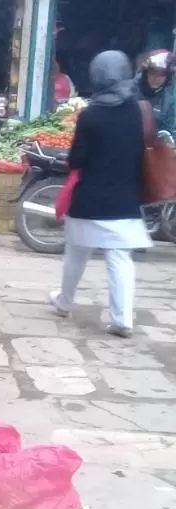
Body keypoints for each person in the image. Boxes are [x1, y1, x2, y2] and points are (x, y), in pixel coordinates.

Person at [51, 51, 151, 339]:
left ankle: (65, 301)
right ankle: (121, 318)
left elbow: (76, 160)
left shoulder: (91, 114)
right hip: (124, 199)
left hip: (89, 200)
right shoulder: (136, 110)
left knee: (76, 253)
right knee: (120, 258)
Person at [136, 50, 176, 133]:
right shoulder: (131, 92)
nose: (156, 78)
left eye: (162, 74)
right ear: (146, 72)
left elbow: (167, 129)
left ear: (167, 77)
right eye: (153, 72)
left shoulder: (167, 99)